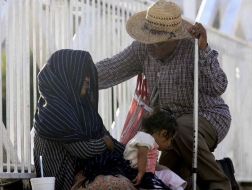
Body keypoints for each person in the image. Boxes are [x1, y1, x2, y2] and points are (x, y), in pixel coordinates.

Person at [96, 0, 234, 189]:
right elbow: (112, 68)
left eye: (158, 44)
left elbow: (219, 86)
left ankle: (220, 184)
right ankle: (218, 172)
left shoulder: (192, 47)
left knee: (183, 130)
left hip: (208, 116)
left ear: (174, 38)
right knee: (166, 177)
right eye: (148, 42)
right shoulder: (144, 48)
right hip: (169, 129)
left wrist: (204, 50)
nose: (151, 48)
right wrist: (80, 73)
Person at [33, 49, 135, 190]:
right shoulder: (55, 112)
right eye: (82, 73)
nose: (87, 79)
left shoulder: (83, 109)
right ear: (67, 75)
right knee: (117, 185)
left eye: (88, 74)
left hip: (84, 173)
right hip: (63, 182)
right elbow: (84, 150)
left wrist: (135, 153)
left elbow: (111, 142)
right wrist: (105, 143)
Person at [124, 108, 187, 190]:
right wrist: (140, 173)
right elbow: (142, 155)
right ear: (163, 133)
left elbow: (152, 164)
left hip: (147, 173)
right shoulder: (145, 138)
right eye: (170, 139)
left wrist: (164, 169)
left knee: (168, 174)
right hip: (136, 172)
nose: (170, 144)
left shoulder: (149, 141)